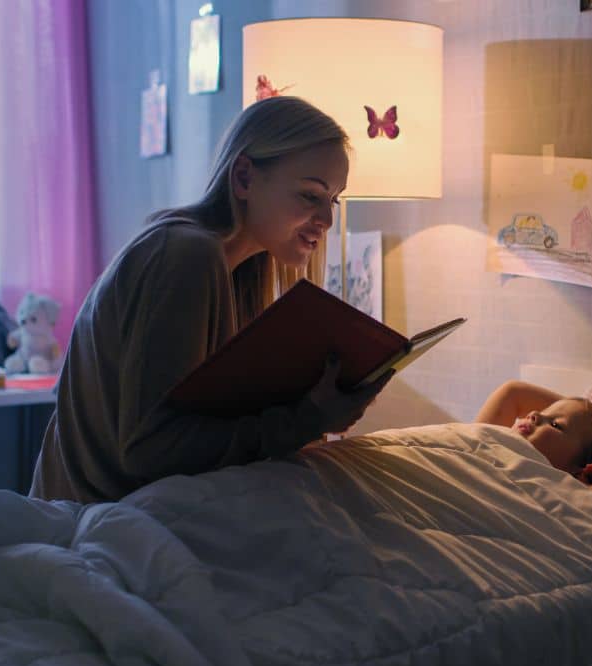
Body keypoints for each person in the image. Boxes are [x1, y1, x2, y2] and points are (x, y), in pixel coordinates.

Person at [30, 96, 392, 504]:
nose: (327, 220)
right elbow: (150, 451)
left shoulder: (233, 272)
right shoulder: (185, 256)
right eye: (310, 196)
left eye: (334, 200)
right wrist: (308, 418)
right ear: (243, 178)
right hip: (93, 525)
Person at [475, 372, 592, 501]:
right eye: (544, 412)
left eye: (555, 424)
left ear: (581, 474)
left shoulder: (550, 498)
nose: (533, 413)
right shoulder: (481, 443)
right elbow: (513, 391)